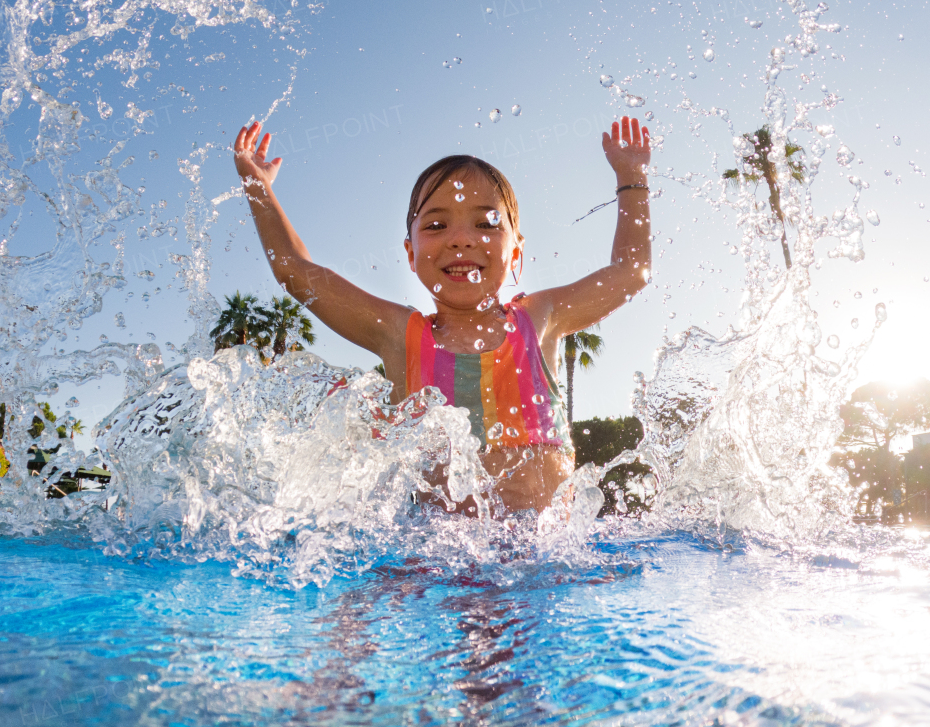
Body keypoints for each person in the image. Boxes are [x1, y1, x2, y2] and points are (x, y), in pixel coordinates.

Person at [231, 116, 652, 514]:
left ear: (516, 250)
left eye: (486, 224)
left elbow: (631, 273)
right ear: (411, 255)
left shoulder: (539, 320)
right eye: (435, 226)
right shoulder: (401, 336)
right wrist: (257, 186)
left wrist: (631, 178)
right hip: (433, 567)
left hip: (541, 566)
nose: (461, 240)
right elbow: (296, 272)